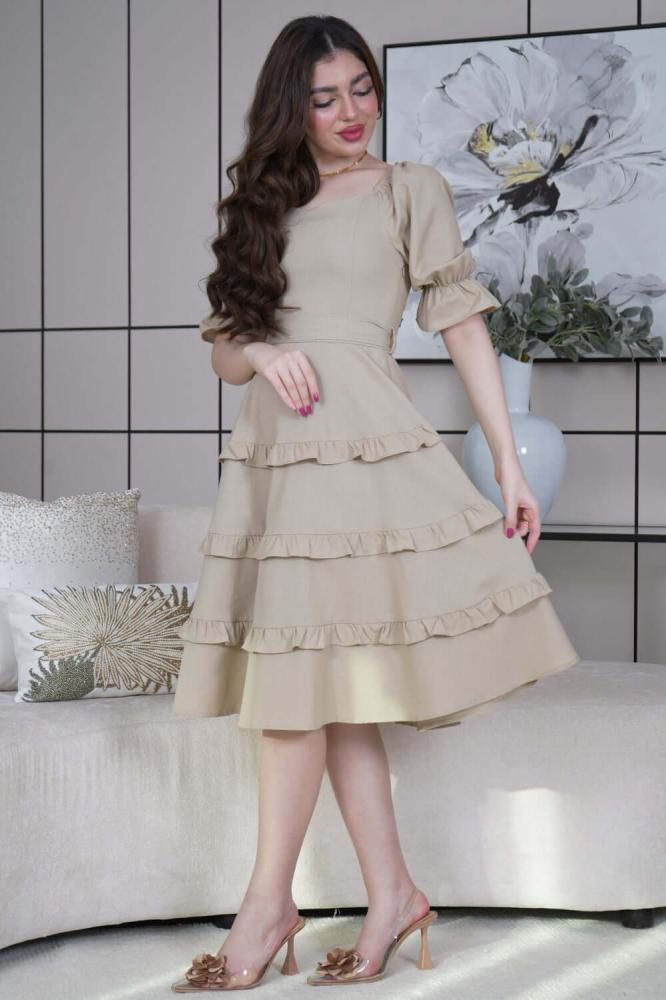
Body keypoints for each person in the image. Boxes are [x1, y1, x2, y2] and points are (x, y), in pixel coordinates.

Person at [170, 13, 581, 992]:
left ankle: (266, 909)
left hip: (366, 449)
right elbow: (226, 349)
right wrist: (263, 349)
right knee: (334, 693)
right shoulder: (262, 205)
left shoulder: (408, 189)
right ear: (293, 108)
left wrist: (507, 462)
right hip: (281, 459)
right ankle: (392, 894)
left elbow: (463, 324)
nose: (351, 111)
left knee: (300, 687)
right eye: (325, 98)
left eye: (362, 89)